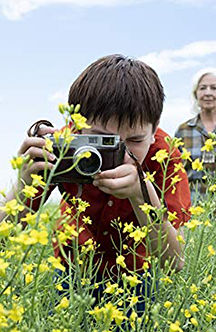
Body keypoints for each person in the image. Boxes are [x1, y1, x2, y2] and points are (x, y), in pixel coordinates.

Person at [0, 55, 191, 315]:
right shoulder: (61, 147)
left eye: (134, 140)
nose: (120, 155)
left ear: (155, 128)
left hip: (135, 273)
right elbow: (5, 234)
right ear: (77, 128)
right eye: (101, 141)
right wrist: (23, 182)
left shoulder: (165, 154)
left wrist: (141, 194)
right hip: (73, 265)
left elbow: (174, 262)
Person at [175, 68, 216, 199]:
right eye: (203, 88)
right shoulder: (183, 130)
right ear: (195, 93)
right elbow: (175, 170)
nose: (208, 93)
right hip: (193, 207)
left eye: (214, 88)